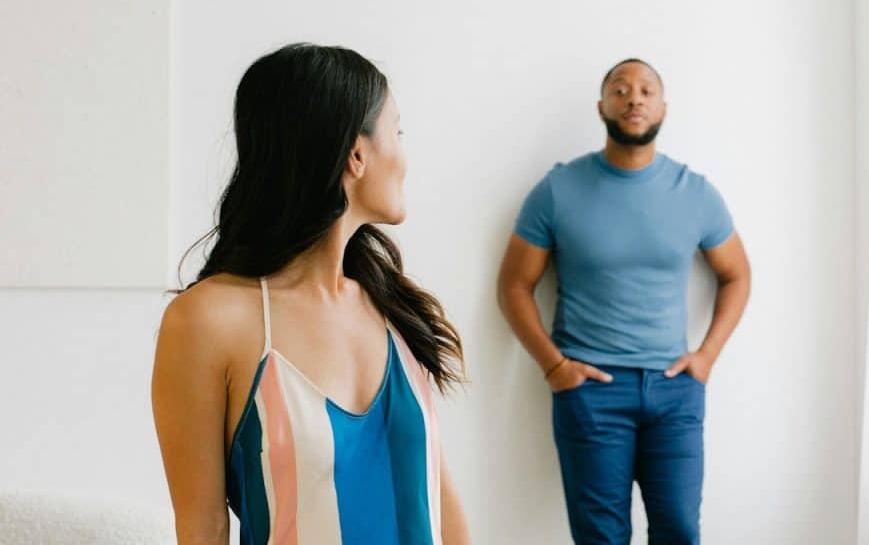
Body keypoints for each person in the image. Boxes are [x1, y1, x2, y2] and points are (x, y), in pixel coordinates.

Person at [152, 43, 470, 545]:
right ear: (357, 154)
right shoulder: (209, 320)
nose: (405, 158)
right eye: (398, 132)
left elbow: (442, 509)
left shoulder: (393, 311)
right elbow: (202, 527)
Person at [497, 58, 751, 545]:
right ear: (602, 106)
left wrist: (708, 355)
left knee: (678, 530)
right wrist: (554, 367)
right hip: (592, 391)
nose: (634, 98)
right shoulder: (557, 190)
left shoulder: (695, 193)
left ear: (662, 108)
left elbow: (736, 274)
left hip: (675, 391)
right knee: (601, 538)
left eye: (646, 90)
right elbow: (513, 285)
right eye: (620, 89)